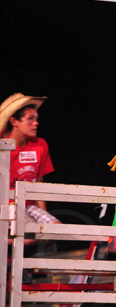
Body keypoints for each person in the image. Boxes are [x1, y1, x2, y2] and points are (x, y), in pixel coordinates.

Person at [0, 93, 60, 247]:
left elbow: (38, 184)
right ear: (14, 121)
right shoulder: (2, 147)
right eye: (30, 118)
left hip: (28, 205)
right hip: (7, 205)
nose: (36, 123)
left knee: (56, 229)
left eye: (36, 118)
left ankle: (14, 247)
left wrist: (44, 217)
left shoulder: (40, 145)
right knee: (24, 236)